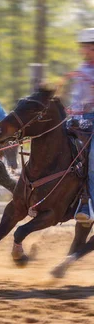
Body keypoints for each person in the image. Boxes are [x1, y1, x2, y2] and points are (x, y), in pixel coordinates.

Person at [71, 28, 94, 220]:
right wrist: (72, 113)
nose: (85, 51)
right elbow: (76, 97)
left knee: (93, 160)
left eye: (88, 47)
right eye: (84, 47)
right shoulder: (82, 70)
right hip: (82, 118)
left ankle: (90, 205)